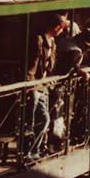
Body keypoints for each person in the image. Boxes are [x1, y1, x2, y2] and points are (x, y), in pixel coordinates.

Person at [25, 13, 68, 157]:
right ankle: (27, 151)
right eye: (61, 28)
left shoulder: (53, 43)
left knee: (44, 119)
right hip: (34, 85)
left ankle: (34, 150)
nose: (62, 31)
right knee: (29, 121)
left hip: (43, 86)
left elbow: (50, 65)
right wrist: (30, 84)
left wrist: (50, 79)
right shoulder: (38, 40)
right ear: (56, 27)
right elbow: (32, 64)